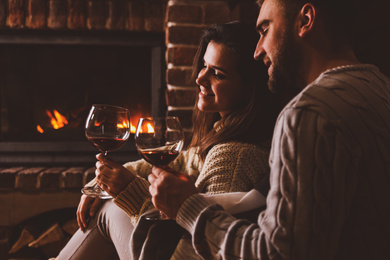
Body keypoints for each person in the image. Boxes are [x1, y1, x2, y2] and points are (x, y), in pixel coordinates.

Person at [147, 0, 390, 259]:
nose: (257, 51)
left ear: (305, 20)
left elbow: (276, 254)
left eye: (264, 30)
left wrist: (189, 209)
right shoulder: (380, 90)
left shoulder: (308, 114)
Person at [57, 21, 282, 259]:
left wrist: (127, 191)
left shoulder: (234, 157)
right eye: (204, 65)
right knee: (109, 203)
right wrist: (102, 182)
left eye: (217, 74)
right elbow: (182, 162)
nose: (200, 78)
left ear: (249, 89)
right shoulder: (226, 134)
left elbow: (196, 251)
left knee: (109, 207)